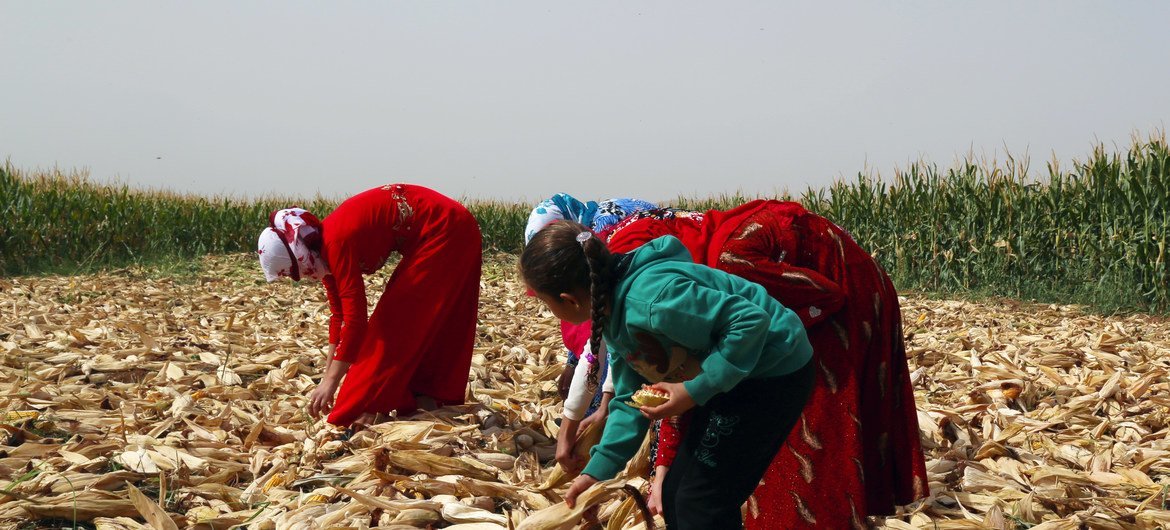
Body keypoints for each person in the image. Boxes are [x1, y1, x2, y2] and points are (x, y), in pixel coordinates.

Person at [594, 200, 929, 528]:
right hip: (763, 321)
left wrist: (760, 353)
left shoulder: (717, 268)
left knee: (811, 438)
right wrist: (664, 465)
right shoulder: (628, 283)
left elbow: (825, 295)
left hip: (837, 300)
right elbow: (677, 374)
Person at [520, 220, 815, 530]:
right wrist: (597, 469)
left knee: (701, 502)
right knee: (675, 494)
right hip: (728, 374)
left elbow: (751, 322)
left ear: (569, 299)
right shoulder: (614, 316)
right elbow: (630, 398)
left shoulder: (651, 302)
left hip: (773, 371)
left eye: (546, 302)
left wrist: (693, 391)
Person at [257, 184, 482, 427]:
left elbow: (356, 323)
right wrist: (327, 377)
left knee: (394, 323)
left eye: (294, 273)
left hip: (447, 228)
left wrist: (332, 384)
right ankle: (423, 397)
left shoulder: (335, 243)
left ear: (297, 256)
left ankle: (367, 408)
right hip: (445, 229)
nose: (300, 278)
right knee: (412, 315)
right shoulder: (323, 250)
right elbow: (339, 316)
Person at [523, 194, 655, 459]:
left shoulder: (615, 251)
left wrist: (594, 411)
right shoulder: (585, 254)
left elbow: (610, 342)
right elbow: (605, 342)